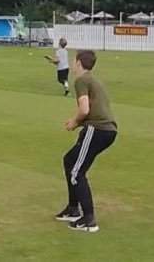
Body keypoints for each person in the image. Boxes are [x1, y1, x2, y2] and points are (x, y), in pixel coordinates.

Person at [53, 49, 117, 233]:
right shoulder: (94, 80)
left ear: (79, 63)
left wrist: (74, 122)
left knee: (76, 172)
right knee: (69, 159)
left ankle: (89, 219)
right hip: (106, 130)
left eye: (74, 60)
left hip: (97, 129)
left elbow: (84, 109)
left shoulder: (81, 80)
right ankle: (73, 208)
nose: (73, 63)